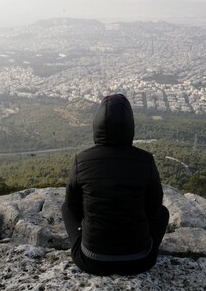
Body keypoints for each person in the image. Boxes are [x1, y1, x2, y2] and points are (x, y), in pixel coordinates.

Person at [62, 94, 170, 276]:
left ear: (96, 127)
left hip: (91, 260)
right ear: (130, 127)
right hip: (140, 260)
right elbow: (154, 207)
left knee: (65, 208)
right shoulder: (145, 160)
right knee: (164, 213)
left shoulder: (82, 160)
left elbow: (73, 206)